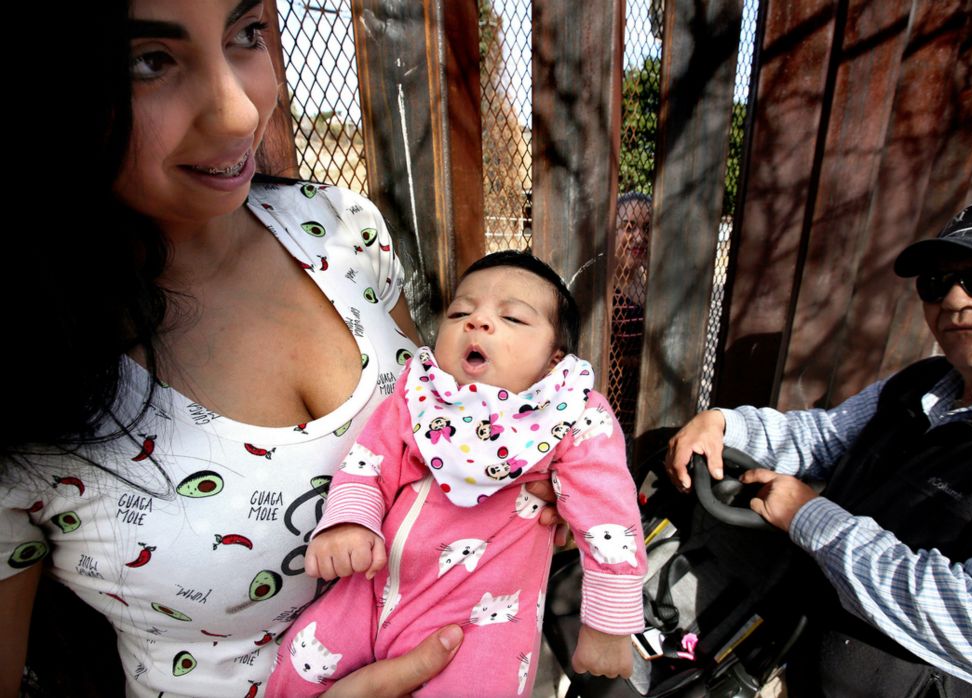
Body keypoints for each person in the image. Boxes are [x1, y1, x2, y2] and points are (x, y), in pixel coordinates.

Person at [0, 3, 552, 696]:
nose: (238, 112)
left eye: (245, 35)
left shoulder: (339, 230)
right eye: (149, 61)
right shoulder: (25, 372)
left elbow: (435, 418)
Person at [666, 198, 972, 696]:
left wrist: (812, 519)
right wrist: (726, 425)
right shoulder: (921, 385)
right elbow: (824, 437)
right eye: (936, 284)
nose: (957, 300)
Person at [267, 251, 647, 697]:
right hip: (370, 589)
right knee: (300, 663)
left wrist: (609, 624)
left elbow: (609, 513)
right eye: (461, 311)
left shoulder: (573, 414)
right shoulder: (419, 396)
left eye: (513, 318)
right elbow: (369, 463)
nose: (478, 321)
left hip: (482, 622)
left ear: (553, 360)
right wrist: (349, 523)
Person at [609, 192, 653, 434]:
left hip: (644, 405)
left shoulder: (648, 280)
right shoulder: (601, 286)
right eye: (629, 227)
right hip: (611, 405)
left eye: (647, 229)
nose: (640, 237)